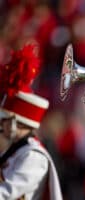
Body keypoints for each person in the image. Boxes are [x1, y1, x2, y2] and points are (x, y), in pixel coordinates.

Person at [0, 44, 62, 200]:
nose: (2, 125)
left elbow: (7, 193)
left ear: (18, 123)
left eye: (5, 120)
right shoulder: (16, 151)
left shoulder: (34, 156)